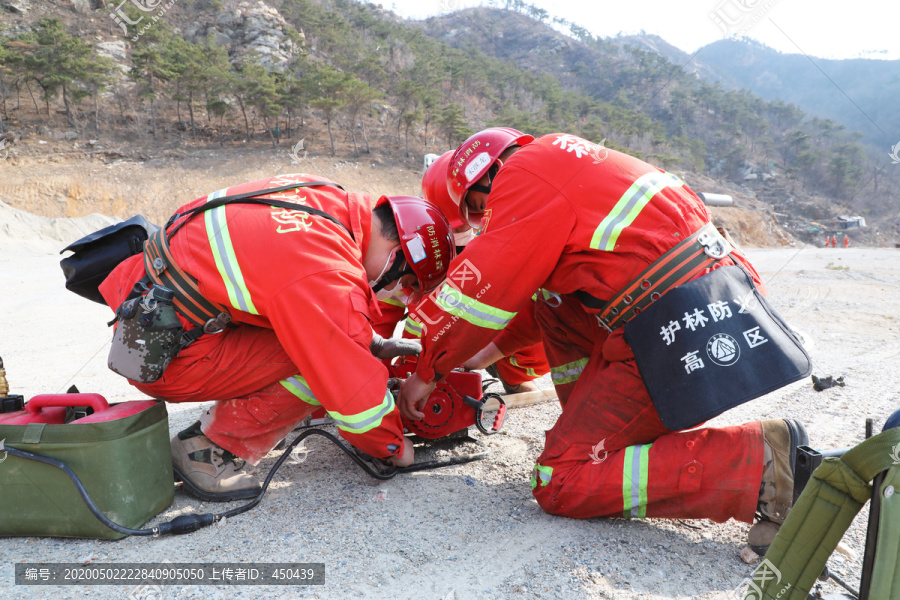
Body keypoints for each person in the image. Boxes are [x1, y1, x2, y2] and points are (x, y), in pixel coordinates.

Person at [399, 128, 808, 551]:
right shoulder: (562, 162)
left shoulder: (524, 177)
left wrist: (426, 369)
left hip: (676, 319)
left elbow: (481, 287)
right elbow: (532, 298)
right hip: (699, 298)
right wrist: (477, 356)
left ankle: (760, 461)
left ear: (491, 172)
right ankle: (601, 433)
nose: (486, 220)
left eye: (479, 209)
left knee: (560, 480)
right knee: (552, 301)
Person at [100, 173, 455, 501]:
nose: (394, 293)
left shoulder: (321, 196)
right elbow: (350, 387)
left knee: (331, 342)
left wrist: (370, 343)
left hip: (146, 310)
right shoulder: (327, 269)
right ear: (397, 257)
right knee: (322, 362)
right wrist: (395, 447)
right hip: (170, 357)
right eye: (404, 284)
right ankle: (207, 451)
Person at [373, 149, 550, 394]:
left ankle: (514, 374)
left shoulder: (499, 241)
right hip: (419, 359)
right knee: (422, 307)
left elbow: (524, 310)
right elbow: (382, 315)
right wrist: (377, 373)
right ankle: (415, 369)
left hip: (493, 340)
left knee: (532, 310)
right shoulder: (411, 248)